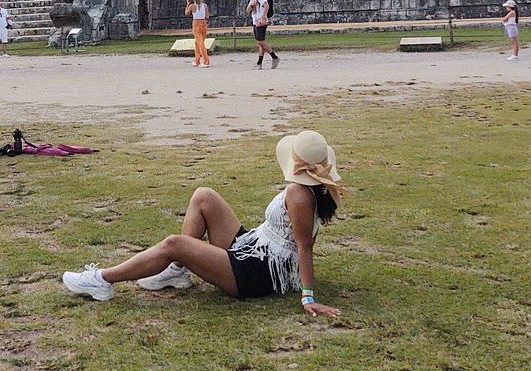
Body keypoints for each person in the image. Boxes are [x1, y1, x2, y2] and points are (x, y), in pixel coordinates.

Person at [63, 129, 345, 315]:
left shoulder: (299, 194)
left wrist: (308, 296)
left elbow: (304, 246)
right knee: (204, 196)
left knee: (176, 244)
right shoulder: (316, 189)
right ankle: (177, 272)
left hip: (258, 272)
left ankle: (102, 280)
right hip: (254, 248)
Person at [246, 0, 279, 69]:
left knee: (261, 42)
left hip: (261, 21)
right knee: (260, 43)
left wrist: (263, 17)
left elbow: (266, 5)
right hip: (255, 21)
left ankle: (274, 57)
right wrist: (253, 4)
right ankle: (259, 63)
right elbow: (247, 10)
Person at [184, 0, 210, 67]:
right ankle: (197, 60)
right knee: (198, 43)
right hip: (204, 23)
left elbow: (186, 13)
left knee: (200, 44)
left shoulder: (192, 6)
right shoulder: (205, 5)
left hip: (196, 24)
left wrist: (187, 4)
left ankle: (206, 61)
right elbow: (207, 16)